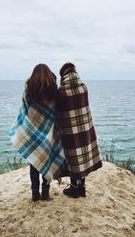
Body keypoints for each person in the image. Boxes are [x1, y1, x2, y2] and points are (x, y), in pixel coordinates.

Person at [9, 64, 65, 202]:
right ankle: (45, 193)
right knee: (48, 161)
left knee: (34, 163)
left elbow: (24, 110)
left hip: (32, 133)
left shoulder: (29, 90)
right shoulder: (53, 91)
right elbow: (56, 111)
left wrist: (22, 126)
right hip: (48, 133)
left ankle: (35, 194)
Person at [56, 62, 102, 198]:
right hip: (85, 129)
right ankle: (82, 187)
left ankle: (74, 188)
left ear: (63, 75)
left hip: (69, 132)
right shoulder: (84, 88)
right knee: (83, 158)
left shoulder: (62, 92)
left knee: (72, 159)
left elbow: (59, 112)